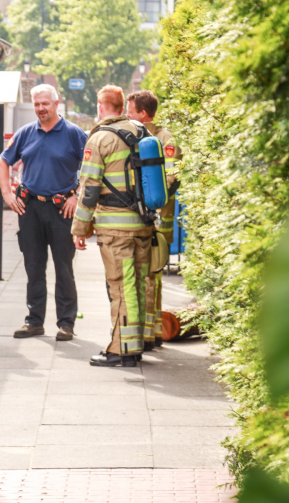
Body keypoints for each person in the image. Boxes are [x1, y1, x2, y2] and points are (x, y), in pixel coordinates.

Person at [0, 84, 87, 341]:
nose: (40, 109)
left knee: (63, 267)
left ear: (55, 103)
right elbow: (3, 161)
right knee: (33, 266)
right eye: (36, 104)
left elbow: (93, 167)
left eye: (45, 104)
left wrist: (77, 197)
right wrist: (6, 194)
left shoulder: (74, 133)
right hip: (31, 208)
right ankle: (34, 321)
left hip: (62, 210)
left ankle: (66, 324)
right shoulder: (26, 133)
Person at [71, 85, 153, 368]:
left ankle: (120, 350)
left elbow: (89, 188)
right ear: (121, 106)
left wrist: (80, 229)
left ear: (101, 106)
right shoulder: (144, 132)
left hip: (115, 230)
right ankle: (135, 346)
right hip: (143, 225)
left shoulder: (101, 138)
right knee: (138, 286)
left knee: (120, 287)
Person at [126, 90, 182, 350]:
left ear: (143, 114)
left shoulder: (163, 139)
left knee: (151, 277)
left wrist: (149, 206)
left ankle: (149, 335)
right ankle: (153, 331)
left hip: (157, 221)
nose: (127, 115)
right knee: (150, 277)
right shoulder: (136, 136)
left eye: (130, 111)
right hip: (146, 218)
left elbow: (170, 178)